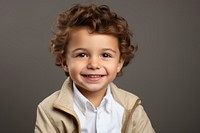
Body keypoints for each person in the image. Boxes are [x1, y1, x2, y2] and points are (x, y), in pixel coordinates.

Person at [34, 3, 155, 133]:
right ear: (64, 62)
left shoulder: (131, 108)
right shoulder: (49, 110)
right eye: (82, 54)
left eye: (105, 55)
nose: (94, 64)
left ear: (119, 63)